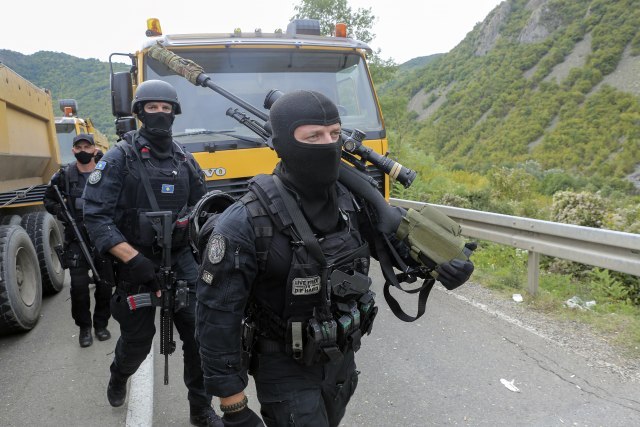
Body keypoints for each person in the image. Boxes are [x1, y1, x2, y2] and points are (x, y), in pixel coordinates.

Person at [194, 90, 475, 427]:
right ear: (281, 144)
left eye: (335, 133)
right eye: (313, 136)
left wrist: (441, 266)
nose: (328, 145)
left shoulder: (351, 200)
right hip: (284, 370)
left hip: (342, 358)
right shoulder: (246, 221)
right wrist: (234, 406)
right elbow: (216, 317)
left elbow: (389, 244)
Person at [82, 80, 223, 427]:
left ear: (174, 113)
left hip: (182, 258)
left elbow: (204, 209)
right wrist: (134, 259)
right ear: (139, 112)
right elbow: (96, 216)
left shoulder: (185, 159)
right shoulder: (119, 158)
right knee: (137, 342)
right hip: (135, 261)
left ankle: (200, 408)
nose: (159, 113)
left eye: (165, 108)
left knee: (200, 338)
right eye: (152, 107)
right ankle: (119, 375)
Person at [43, 133, 111, 348]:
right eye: (79, 147)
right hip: (76, 237)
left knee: (105, 285)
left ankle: (101, 325)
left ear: (94, 149)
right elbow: (48, 199)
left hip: (102, 235)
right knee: (79, 288)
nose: (83, 151)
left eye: (86, 147)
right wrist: (61, 212)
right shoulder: (64, 175)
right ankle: (84, 328)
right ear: (73, 150)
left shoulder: (105, 171)